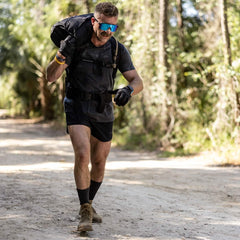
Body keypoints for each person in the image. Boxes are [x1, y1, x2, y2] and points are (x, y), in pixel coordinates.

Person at [46, 2, 143, 232]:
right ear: (93, 21)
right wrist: (62, 54)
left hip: (103, 108)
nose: (107, 32)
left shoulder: (117, 49)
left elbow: (137, 81)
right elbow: (51, 77)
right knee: (82, 153)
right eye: (104, 26)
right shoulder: (75, 44)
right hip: (77, 105)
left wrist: (127, 91)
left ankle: (88, 203)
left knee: (99, 162)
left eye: (113, 28)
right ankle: (84, 209)